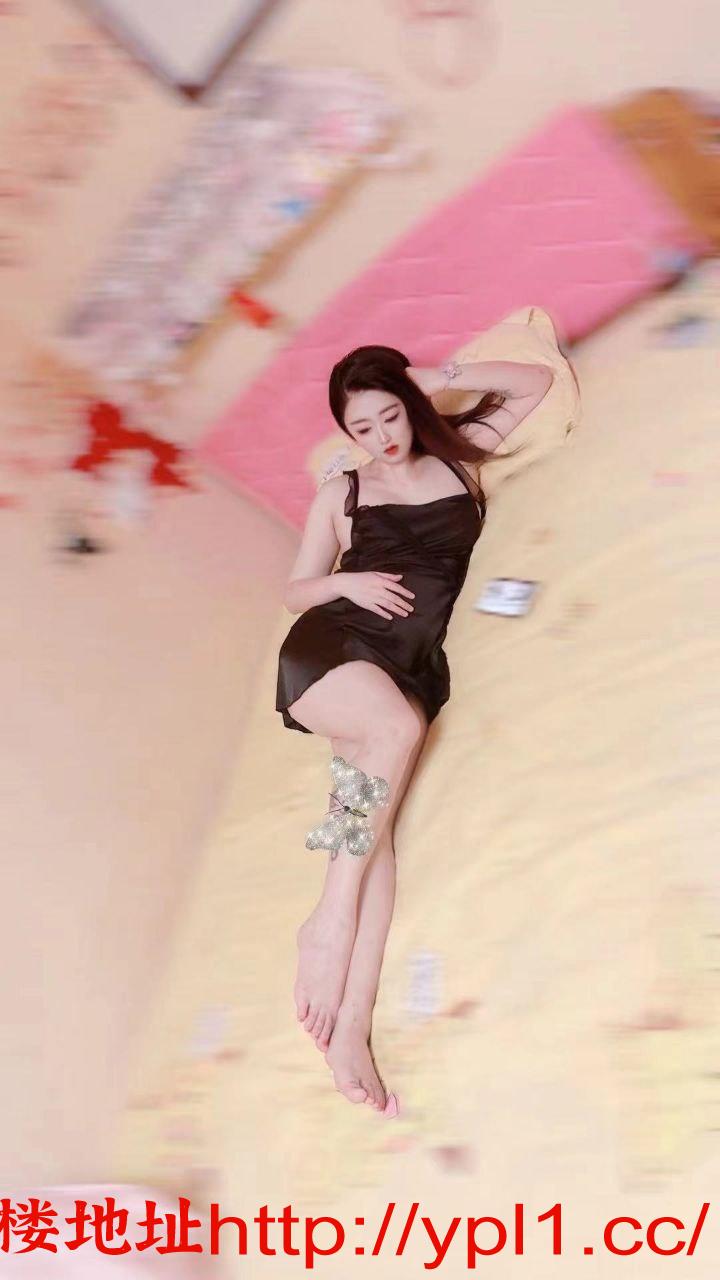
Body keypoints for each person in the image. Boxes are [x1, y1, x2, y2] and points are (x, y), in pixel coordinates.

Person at [275, 344, 553, 1111]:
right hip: (335, 650)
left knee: (374, 834)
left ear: (410, 404)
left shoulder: (460, 460)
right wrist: (348, 581)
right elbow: (295, 590)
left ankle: (350, 1030)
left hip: (409, 666)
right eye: (362, 427)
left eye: (391, 415)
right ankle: (326, 924)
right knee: (395, 734)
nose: (383, 437)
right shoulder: (342, 491)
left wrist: (440, 378)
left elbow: (535, 382)